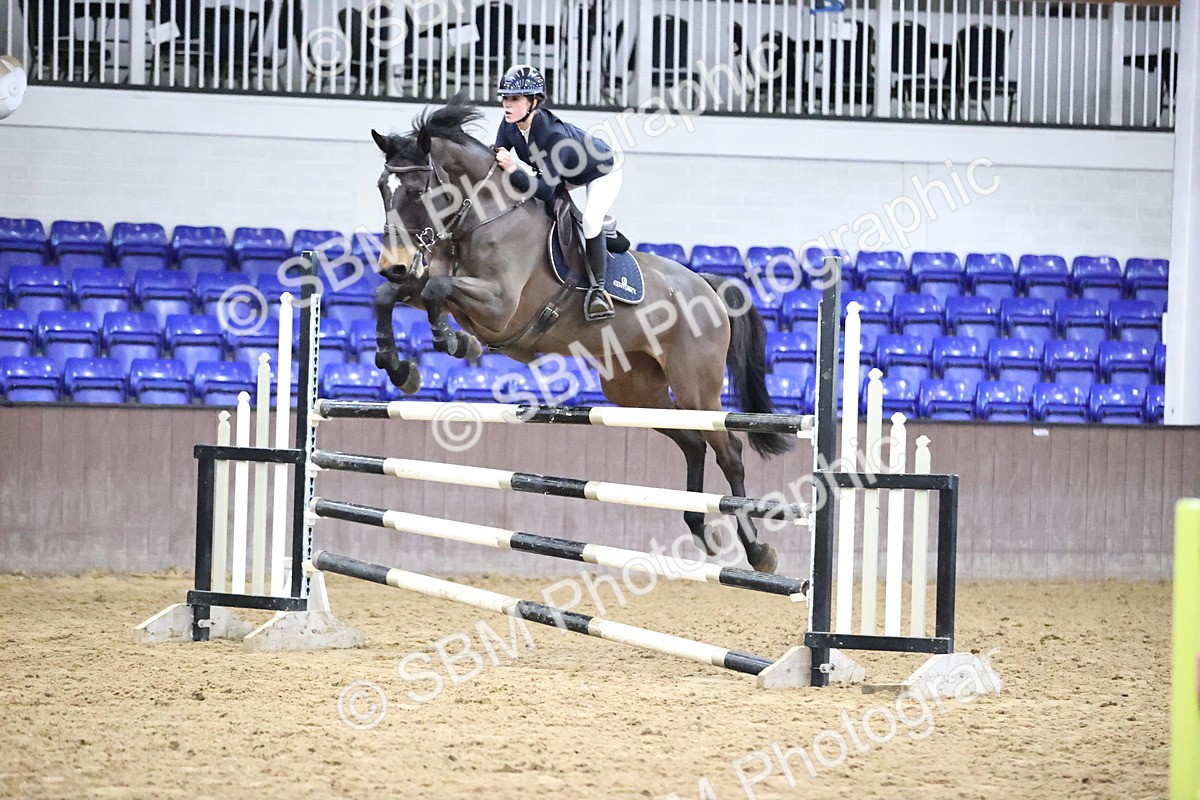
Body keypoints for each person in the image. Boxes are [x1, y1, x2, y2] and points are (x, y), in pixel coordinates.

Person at [493, 64, 621, 321]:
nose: (507, 104)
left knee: (590, 220)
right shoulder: (509, 125)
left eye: (515, 99)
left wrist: (514, 168)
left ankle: (598, 292)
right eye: (505, 98)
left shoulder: (554, 135)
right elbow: (497, 161)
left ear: (534, 102)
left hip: (601, 171)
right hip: (562, 173)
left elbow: (544, 189)